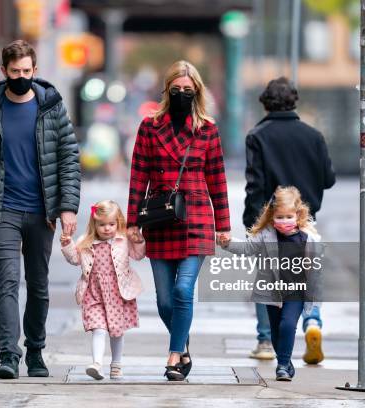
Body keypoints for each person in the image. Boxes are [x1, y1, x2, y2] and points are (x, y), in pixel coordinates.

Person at [0, 40, 81, 379]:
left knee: (39, 285)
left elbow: (68, 158)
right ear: (3, 72)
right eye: (15, 72)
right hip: (3, 210)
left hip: (42, 211)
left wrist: (67, 207)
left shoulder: (52, 107)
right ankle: (8, 355)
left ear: (35, 71)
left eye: (27, 71)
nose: (21, 77)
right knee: (8, 282)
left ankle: (36, 351)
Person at [126, 60, 231, 381]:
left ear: (197, 91)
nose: (182, 94)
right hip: (160, 218)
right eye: (176, 89)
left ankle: (174, 356)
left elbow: (217, 177)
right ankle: (183, 345)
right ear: (166, 90)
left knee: (184, 290)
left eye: (188, 90)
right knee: (164, 300)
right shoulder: (149, 127)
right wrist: (132, 223)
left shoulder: (207, 129)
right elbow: (138, 175)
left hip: (196, 216)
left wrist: (224, 225)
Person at [243, 77, 335, 365]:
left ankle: (266, 340)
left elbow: (255, 185)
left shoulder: (258, 136)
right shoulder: (314, 136)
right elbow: (329, 179)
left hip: (273, 223)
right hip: (305, 221)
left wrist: (252, 222)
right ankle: (312, 322)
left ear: (265, 103)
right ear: (294, 101)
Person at [222, 186, 323, 381]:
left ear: (298, 214)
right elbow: (248, 248)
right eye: (279, 217)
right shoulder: (266, 235)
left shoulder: (309, 239)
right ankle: (285, 360)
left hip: (296, 292)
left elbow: (316, 272)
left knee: (287, 325)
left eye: (288, 217)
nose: (284, 221)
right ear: (272, 216)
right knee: (276, 331)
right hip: (271, 292)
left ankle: (282, 365)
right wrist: (227, 243)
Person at [60, 200, 145, 380]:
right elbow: (75, 259)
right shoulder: (86, 242)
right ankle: (97, 364)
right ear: (94, 224)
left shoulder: (123, 240)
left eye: (111, 224)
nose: (107, 228)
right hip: (94, 292)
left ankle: (116, 364)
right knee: (98, 328)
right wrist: (67, 244)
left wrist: (139, 241)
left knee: (116, 330)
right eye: (102, 224)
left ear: (118, 223)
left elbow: (139, 255)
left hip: (118, 293)